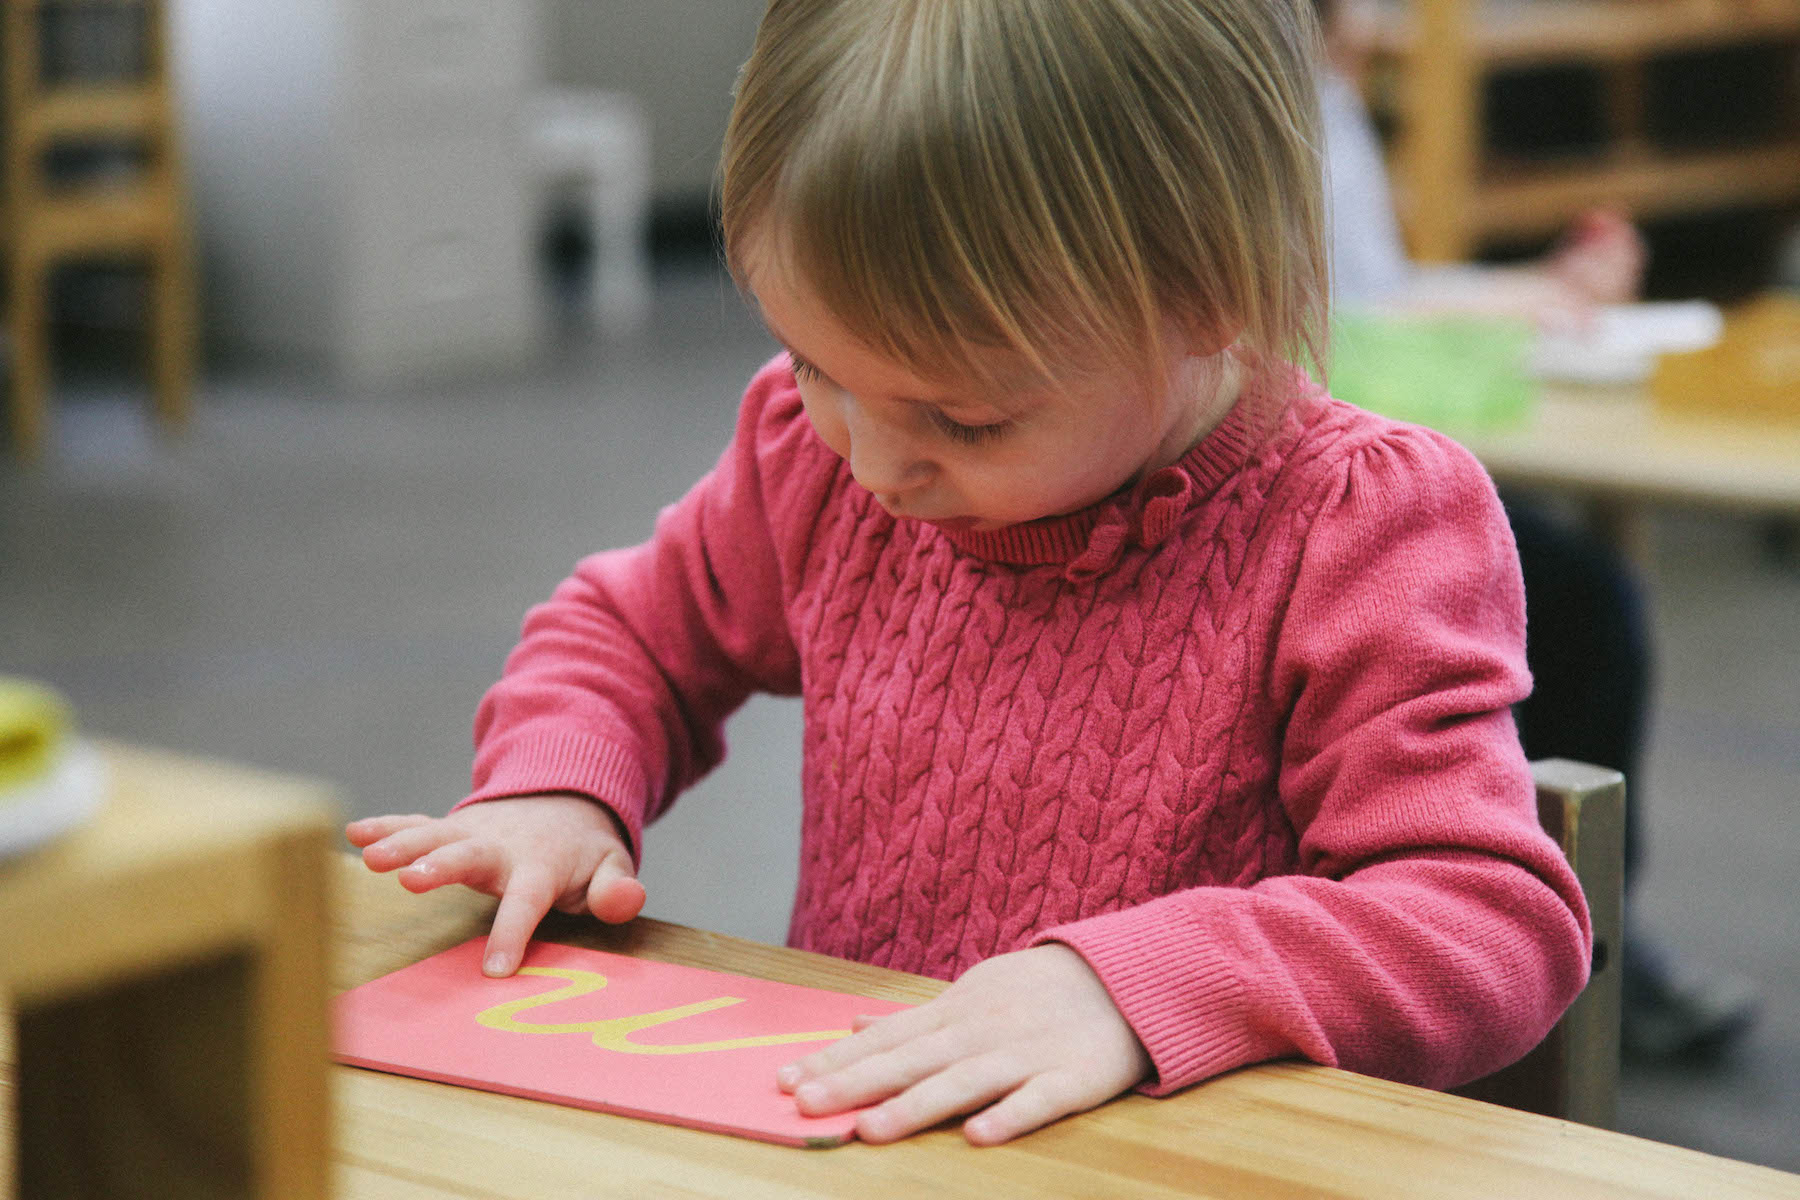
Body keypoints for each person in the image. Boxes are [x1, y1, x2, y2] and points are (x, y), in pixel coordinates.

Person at [347, 0, 1590, 1146]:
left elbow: (1487, 920)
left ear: (1211, 292)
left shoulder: (1354, 528)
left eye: (969, 420)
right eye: (816, 367)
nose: (878, 462)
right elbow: (626, 633)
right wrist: (560, 793)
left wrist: (1127, 986)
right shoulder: (813, 460)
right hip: (880, 1148)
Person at [1314, 0, 1757, 1060]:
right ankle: (1578, 946)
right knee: (1577, 601)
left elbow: (1378, 295)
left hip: (1385, 434)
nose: (1381, 25)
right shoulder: (1259, 105)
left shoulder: (1335, 99)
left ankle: (1592, 932)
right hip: (1326, 458)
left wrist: (1534, 291)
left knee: (1574, 593)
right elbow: (1316, 319)